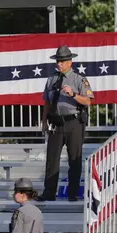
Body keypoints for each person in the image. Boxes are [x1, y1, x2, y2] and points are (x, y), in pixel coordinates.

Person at [37, 45, 94, 202]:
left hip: (74, 122)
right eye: (57, 61)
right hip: (56, 123)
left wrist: (73, 94)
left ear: (70, 62)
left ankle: (72, 193)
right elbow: (47, 103)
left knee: (74, 158)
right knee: (52, 158)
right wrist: (44, 122)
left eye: (62, 61)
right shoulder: (51, 79)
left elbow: (88, 101)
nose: (59, 64)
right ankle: (49, 192)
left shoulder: (79, 79)